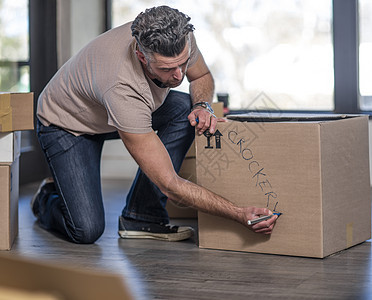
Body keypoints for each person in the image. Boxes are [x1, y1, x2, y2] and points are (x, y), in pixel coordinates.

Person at [31, 5, 278, 244]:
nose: (180, 75)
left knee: (185, 107)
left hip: (106, 110)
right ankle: (45, 198)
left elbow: (201, 76)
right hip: (66, 124)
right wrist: (238, 213)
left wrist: (202, 105)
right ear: (141, 56)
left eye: (183, 63)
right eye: (168, 69)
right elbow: (170, 184)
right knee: (86, 230)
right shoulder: (121, 86)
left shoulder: (181, 37)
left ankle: (141, 217)